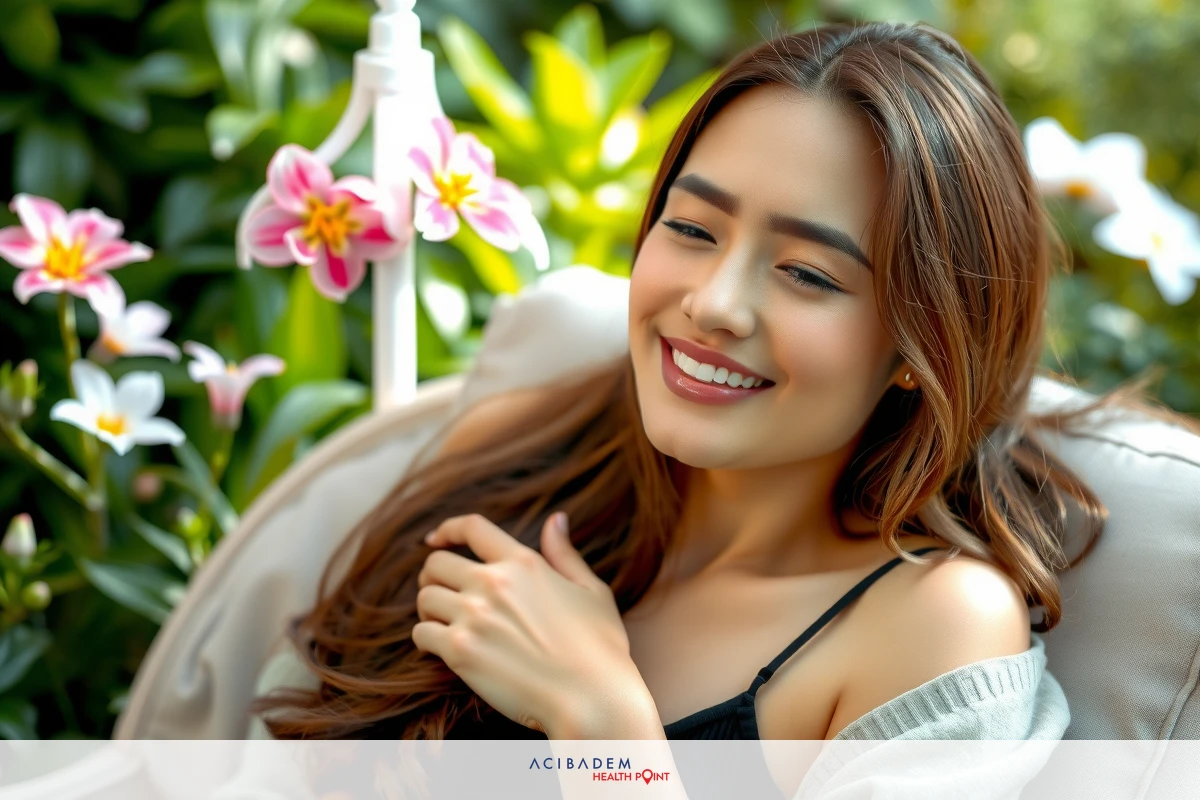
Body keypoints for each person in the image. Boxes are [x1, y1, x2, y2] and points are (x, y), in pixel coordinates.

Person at [247, 19, 1149, 748]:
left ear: (926, 344)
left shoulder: (931, 626)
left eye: (809, 275)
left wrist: (605, 725)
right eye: (692, 229)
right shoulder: (517, 455)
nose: (715, 304)